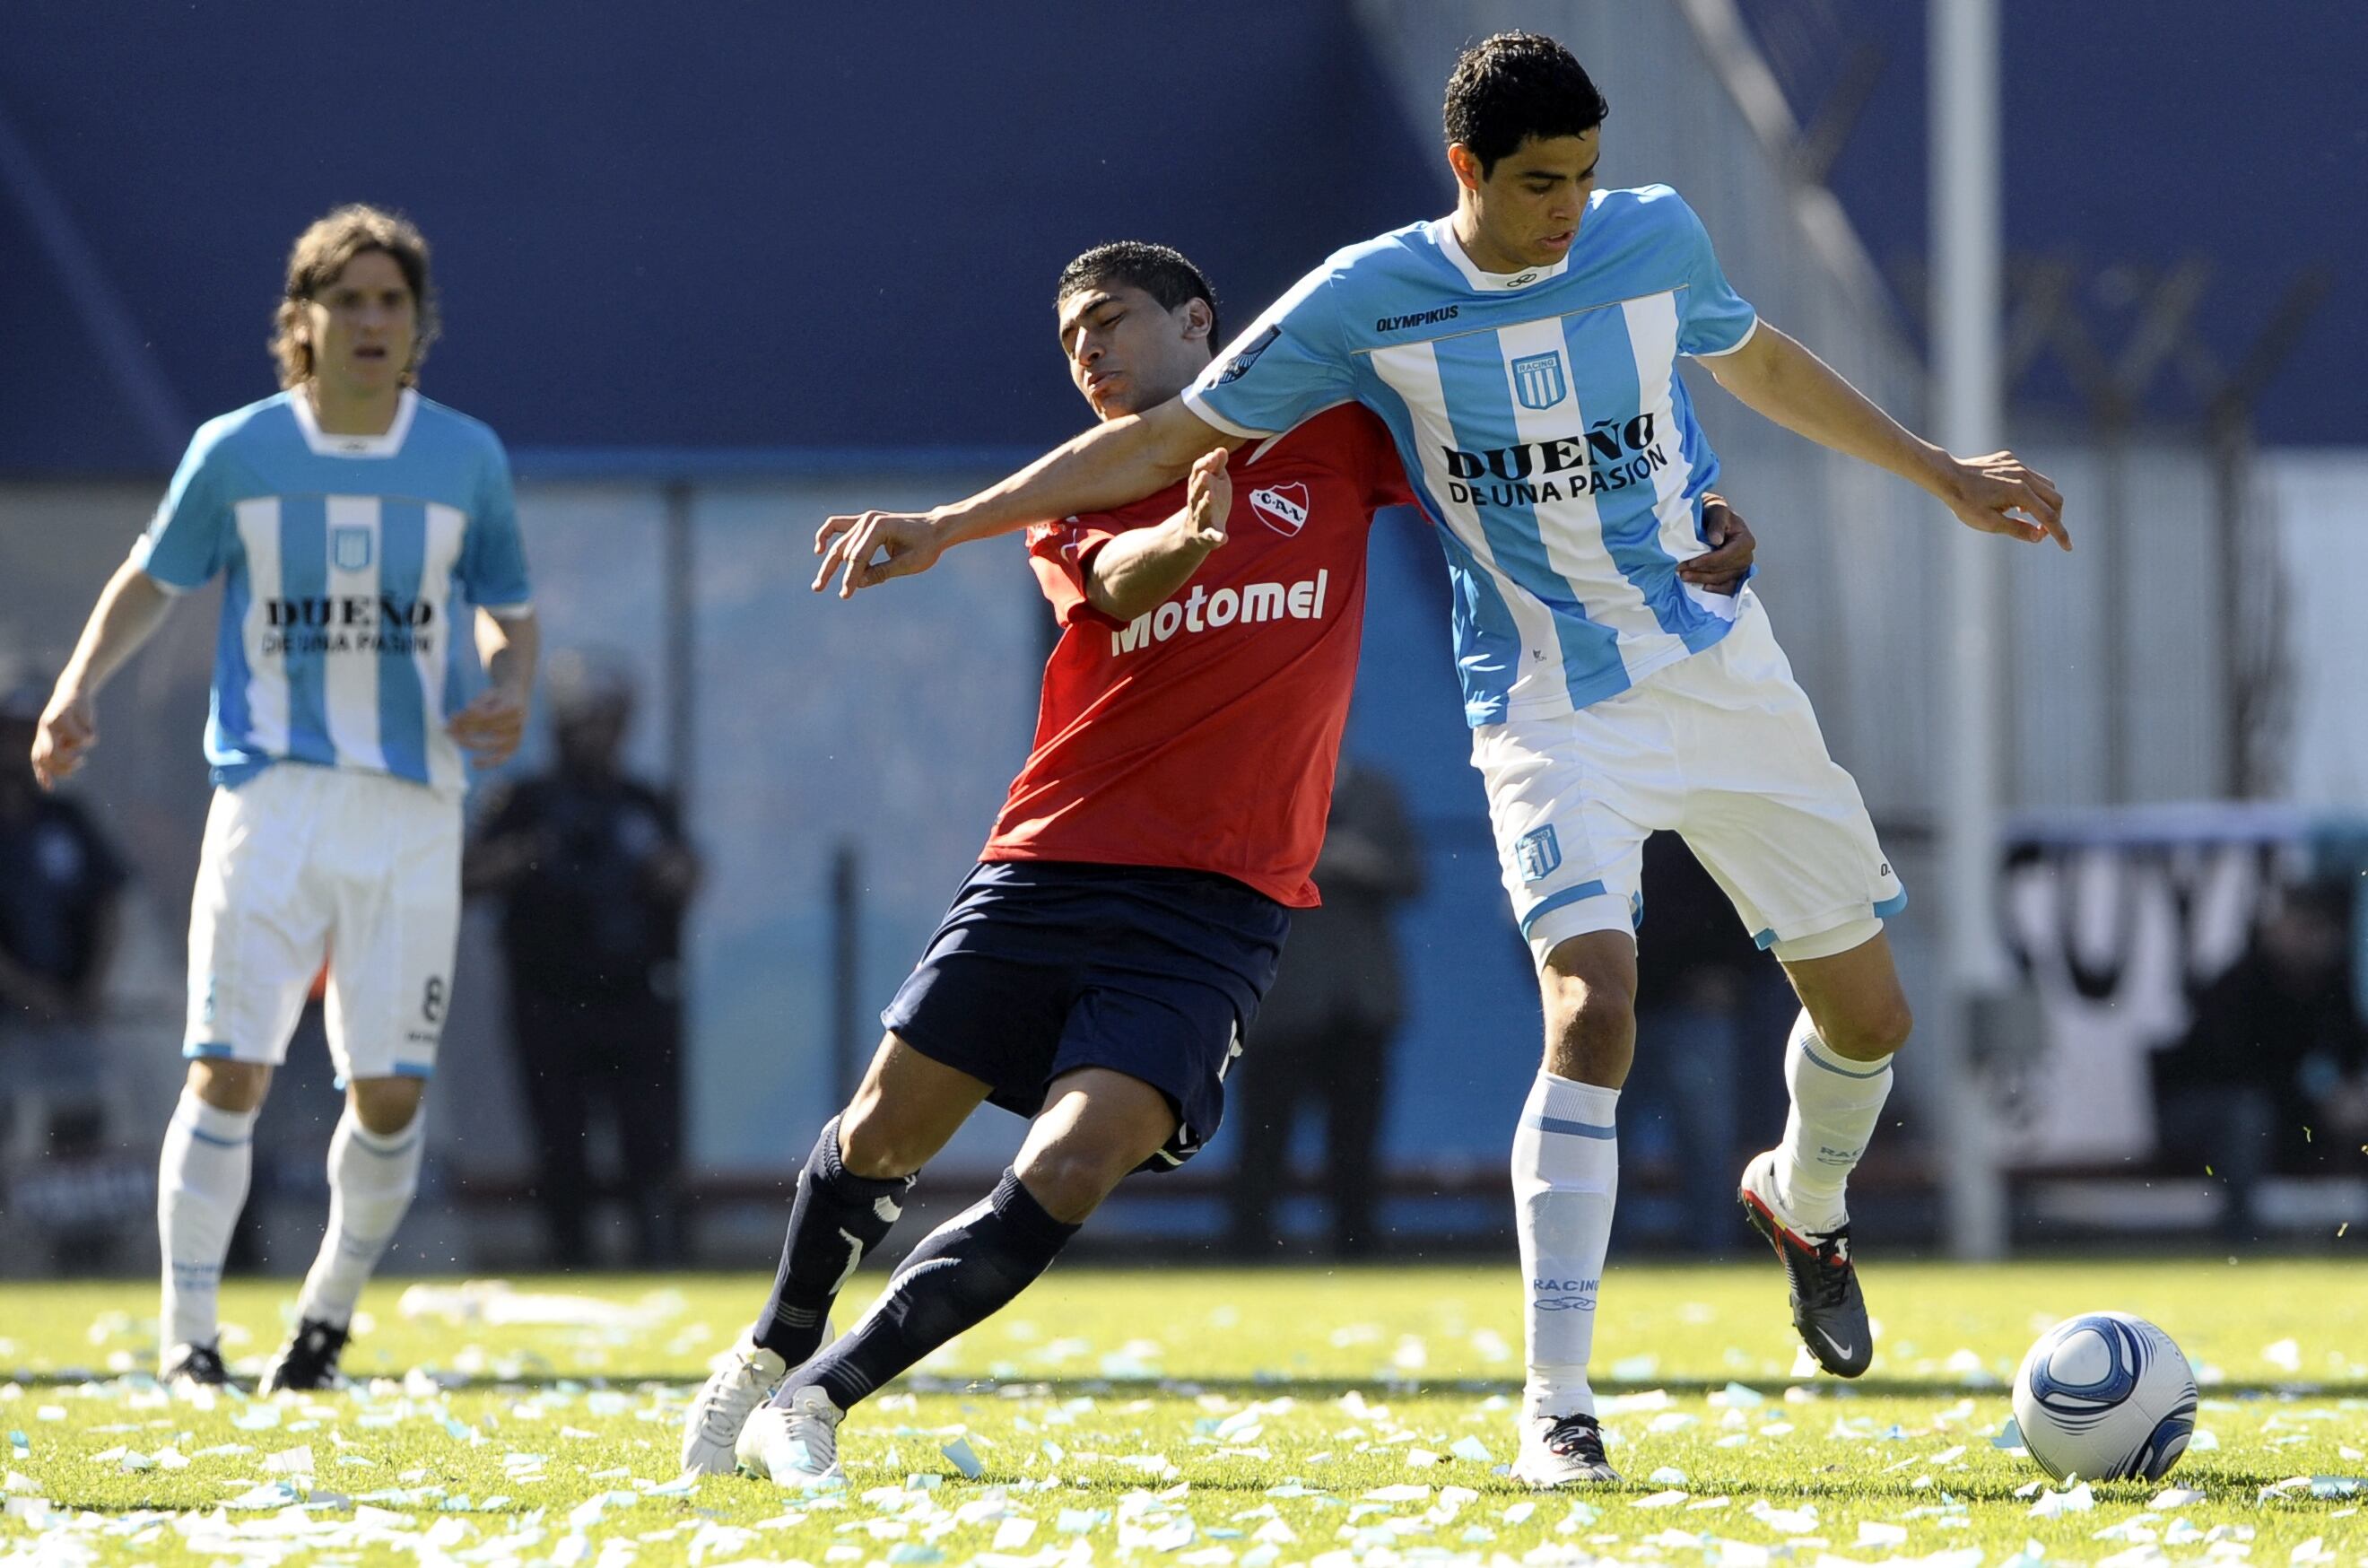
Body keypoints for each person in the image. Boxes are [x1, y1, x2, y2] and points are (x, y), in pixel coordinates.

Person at [811, 32, 2067, 1485]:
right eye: (1543, 182)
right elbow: (1165, 438)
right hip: (1549, 706)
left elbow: (1759, 359)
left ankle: (1804, 1194)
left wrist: (1945, 472)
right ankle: (1558, 1402)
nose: (1572, 209)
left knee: (1870, 1023)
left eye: (1588, 175)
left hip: (1724, 670)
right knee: (1594, 1008)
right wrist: (949, 522)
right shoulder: (1369, 297)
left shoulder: (1653, 235)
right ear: (1466, 166)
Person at [682, 236, 1761, 1485]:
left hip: (1222, 906)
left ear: (1200, 320)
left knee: (1076, 1166)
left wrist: (1678, 519)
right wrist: (1180, 551)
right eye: (1071, 339)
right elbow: (1118, 585)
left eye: (1111, 321)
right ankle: (764, 1354)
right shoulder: (1079, 486)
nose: (1088, 352)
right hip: (1055, 861)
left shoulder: (1340, 436)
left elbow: (1514, 473)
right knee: (879, 1134)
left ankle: (821, 1395)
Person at [28, 205, 536, 1394]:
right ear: (300, 322)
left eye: (390, 302)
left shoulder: (466, 456)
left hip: (414, 808)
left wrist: (509, 681)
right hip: (271, 799)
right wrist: (73, 688)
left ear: (419, 326)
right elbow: (152, 578)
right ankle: (189, 1339)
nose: (369, 320)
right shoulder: (237, 449)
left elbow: (507, 604)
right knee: (229, 1068)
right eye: (345, 300)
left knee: (391, 1092)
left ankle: (324, 1318)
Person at [467, 652, 699, 1267]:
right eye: (585, 721)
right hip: (550, 998)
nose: (597, 735)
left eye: (608, 721)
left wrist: (654, 867)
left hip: (635, 997)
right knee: (561, 1147)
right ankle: (569, 1258)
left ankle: (659, 1258)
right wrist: (528, 856)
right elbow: (468, 876)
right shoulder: (524, 802)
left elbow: (687, 876)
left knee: (649, 1144)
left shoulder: (641, 804)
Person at [1224, 755, 1423, 1259]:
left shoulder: (1378, 790)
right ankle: (1248, 1250)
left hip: (1359, 1001)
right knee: (1265, 1137)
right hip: (1282, 997)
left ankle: (1358, 1251)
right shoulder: (1262, 792)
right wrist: (1306, 859)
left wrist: (1364, 862)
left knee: (1357, 1142)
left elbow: (1413, 876)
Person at [2152, 879, 2368, 1239]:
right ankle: (2240, 1236)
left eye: (2321, 929)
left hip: (2288, 1115)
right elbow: (2238, 1074)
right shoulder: (2241, 985)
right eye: (2303, 926)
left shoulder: (2331, 989)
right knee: (2246, 1116)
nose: (2312, 940)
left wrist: (2352, 1097)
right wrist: (2319, 1100)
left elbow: (2350, 1052)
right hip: (2203, 1112)